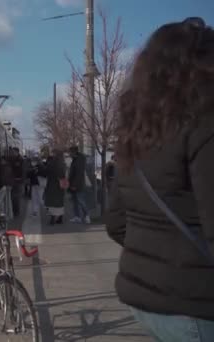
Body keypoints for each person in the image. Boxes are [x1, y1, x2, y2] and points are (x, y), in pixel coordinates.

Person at [105, 17, 214, 341]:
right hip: (195, 305)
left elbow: (115, 221)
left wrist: (156, 256)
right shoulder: (205, 127)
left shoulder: (136, 133)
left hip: (145, 300)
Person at [43, 148, 66, 225]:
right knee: (60, 202)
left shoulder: (52, 163)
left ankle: (52, 219)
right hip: (61, 184)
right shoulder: (63, 163)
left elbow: (46, 171)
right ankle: (60, 218)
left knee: (52, 203)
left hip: (52, 185)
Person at [68, 145, 90, 224]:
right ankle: (77, 216)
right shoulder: (75, 159)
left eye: (70, 152)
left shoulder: (79, 160)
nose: (69, 154)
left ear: (74, 152)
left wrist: (74, 185)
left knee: (81, 201)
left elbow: (79, 174)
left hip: (78, 185)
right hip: (74, 184)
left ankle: (87, 215)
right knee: (75, 201)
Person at [9, 147, 25, 218]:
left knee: (15, 197)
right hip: (13, 180)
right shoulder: (13, 159)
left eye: (13, 152)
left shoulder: (20, 160)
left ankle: (16, 212)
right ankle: (14, 211)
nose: (12, 153)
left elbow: (23, 171)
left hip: (18, 181)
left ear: (17, 152)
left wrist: (21, 179)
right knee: (13, 197)